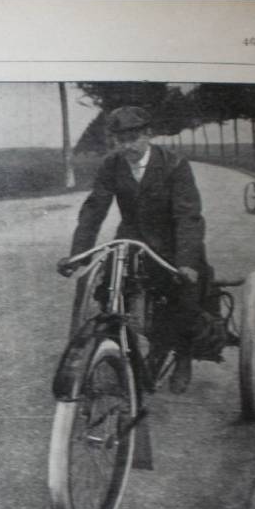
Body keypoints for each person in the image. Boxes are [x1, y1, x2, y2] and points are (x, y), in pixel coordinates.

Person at [57, 106, 209, 394]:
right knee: (108, 290)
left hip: (174, 241)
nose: (126, 146)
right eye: (119, 139)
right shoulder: (111, 165)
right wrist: (80, 255)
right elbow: (94, 210)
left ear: (148, 135)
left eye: (133, 138)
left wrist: (186, 261)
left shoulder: (175, 165)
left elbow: (188, 216)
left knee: (184, 293)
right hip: (132, 238)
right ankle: (116, 349)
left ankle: (184, 356)